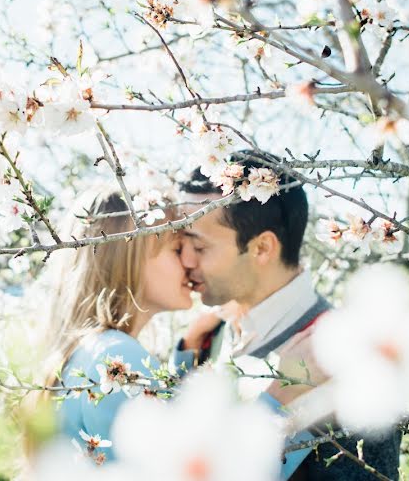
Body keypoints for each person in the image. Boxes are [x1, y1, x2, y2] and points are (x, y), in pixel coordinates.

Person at [32, 186, 314, 477]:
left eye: (197, 248)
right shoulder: (116, 355)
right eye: (177, 249)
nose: (188, 262)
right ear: (134, 256)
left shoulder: (96, 349)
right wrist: (283, 399)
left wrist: (183, 366)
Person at [175, 150, 402, 481]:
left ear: (262, 248)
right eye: (180, 243)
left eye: (199, 246)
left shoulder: (348, 365)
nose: (185, 259)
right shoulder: (208, 338)